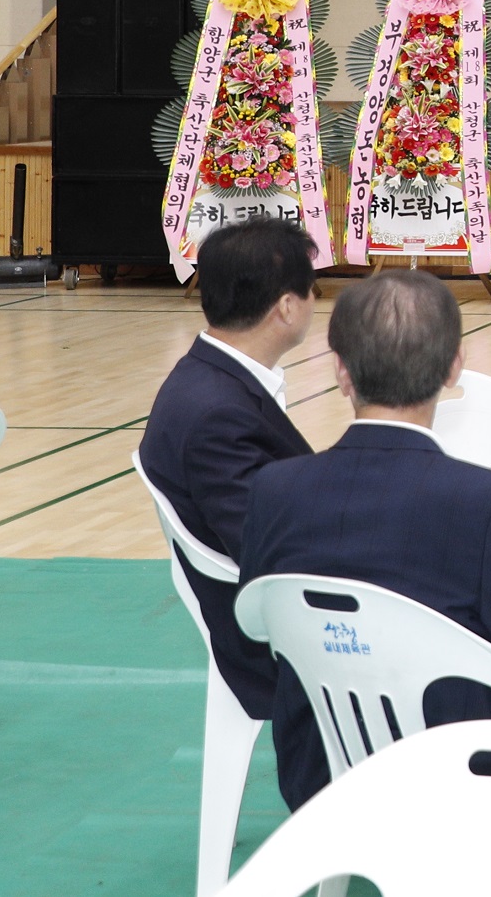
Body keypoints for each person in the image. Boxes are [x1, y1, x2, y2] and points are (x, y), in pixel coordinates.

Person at [240, 270, 491, 808]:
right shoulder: (487, 501)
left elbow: (254, 643)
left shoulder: (275, 490)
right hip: (468, 775)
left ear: (340, 371)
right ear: (453, 367)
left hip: (323, 772)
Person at [137, 218, 318, 729]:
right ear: (286, 307)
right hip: (276, 645)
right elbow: (271, 551)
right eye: (311, 290)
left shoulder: (210, 377)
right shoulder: (218, 414)